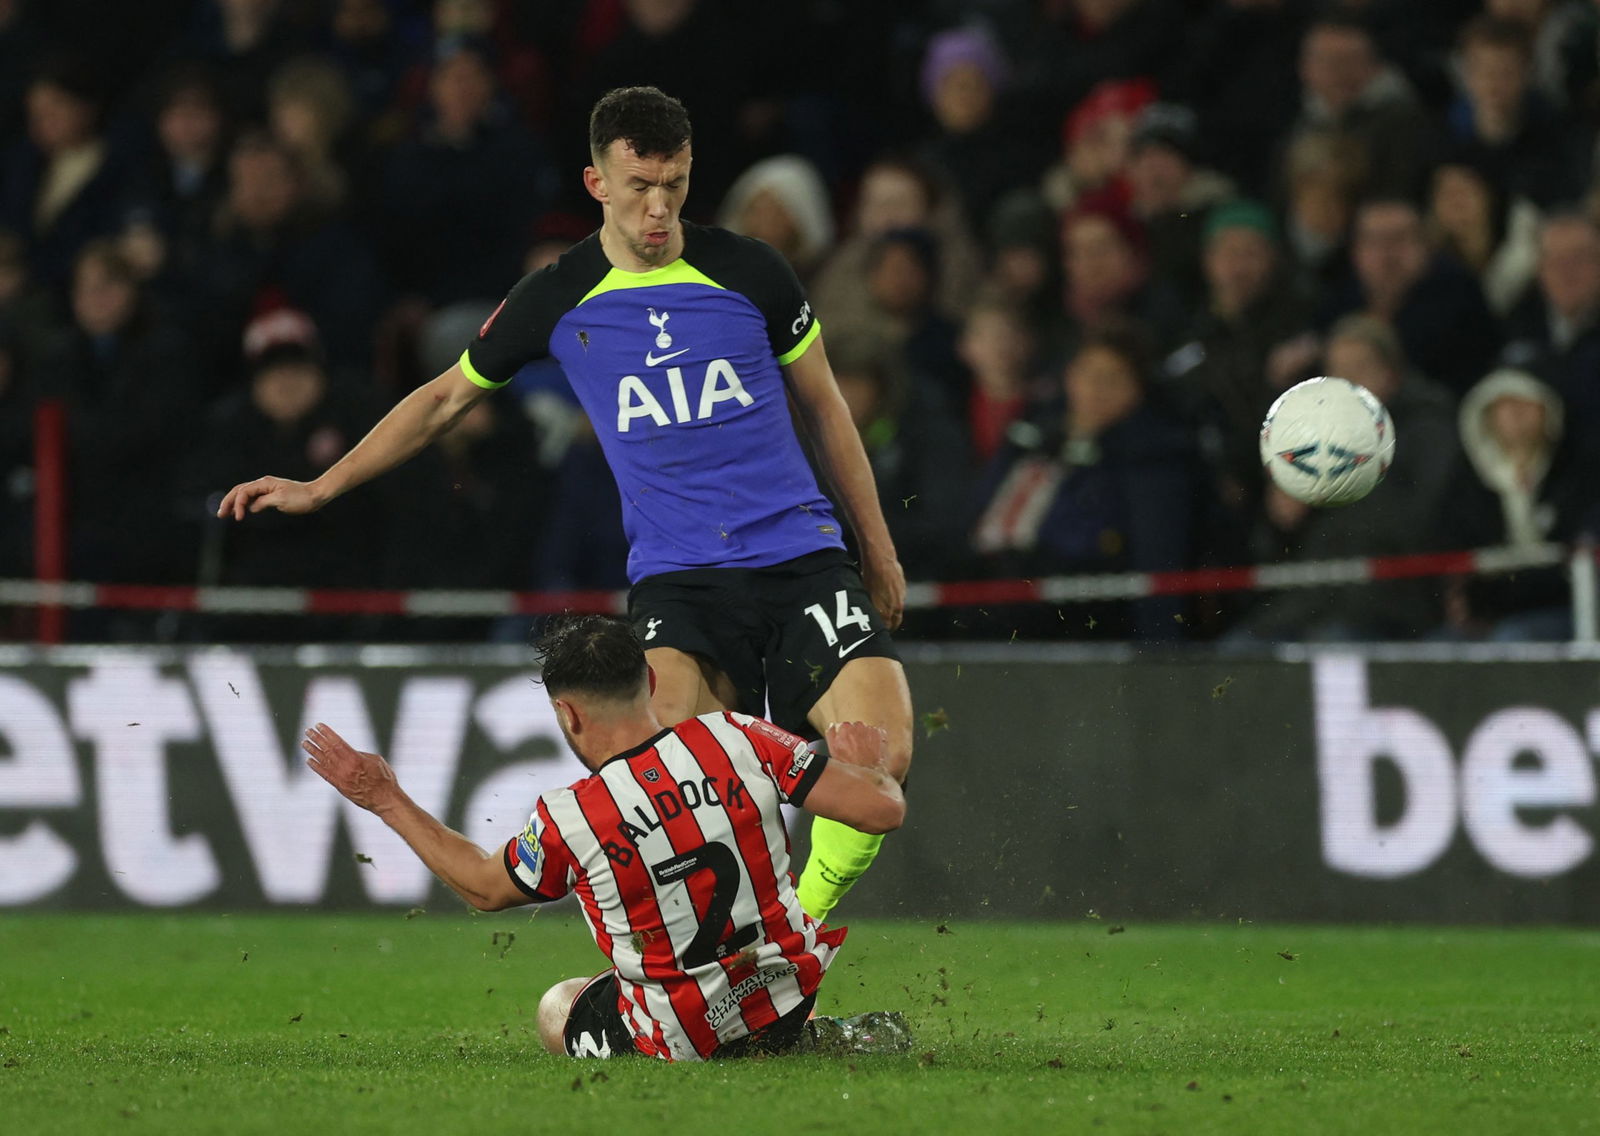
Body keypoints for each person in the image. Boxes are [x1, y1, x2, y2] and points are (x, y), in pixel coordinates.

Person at [218, 86, 913, 924]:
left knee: (882, 763)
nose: (659, 210)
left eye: (676, 186)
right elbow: (442, 401)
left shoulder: (753, 271)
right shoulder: (557, 296)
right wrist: (321, 486)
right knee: (670, 787)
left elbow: (828, 410)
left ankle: (800, 916)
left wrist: (877, 548)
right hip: (682, 582)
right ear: (597, 183)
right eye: (639, 188)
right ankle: (723, 967)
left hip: (803, 560)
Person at [300, 615, 908, 1061]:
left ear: (567, 714)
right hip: (789, 993)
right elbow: (882, 809)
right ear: (647, 678)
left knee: (557, 1004)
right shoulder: (737, 735)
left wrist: (385, 798)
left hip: (689, 1038)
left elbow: (484, 889)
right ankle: (808, 1035)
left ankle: (728, 1037)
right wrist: (869, 770)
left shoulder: (572, 818)